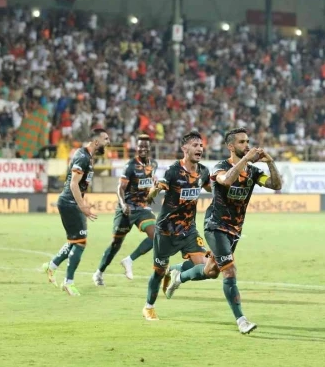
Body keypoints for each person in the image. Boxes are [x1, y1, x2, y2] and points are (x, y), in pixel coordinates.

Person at [164, 127, 282, 334]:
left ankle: (178, 275)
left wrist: (270, 162)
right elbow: (226, 180)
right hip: (215, 225)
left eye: (247, 142)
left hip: (234, 230)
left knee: (211, 271)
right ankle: (241, 320)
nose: (247, 145)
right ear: (231, 146)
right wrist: (246, 159)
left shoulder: (253, 172)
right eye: (242, 142)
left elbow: (276, 185)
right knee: (229, 270)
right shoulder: (220, 167)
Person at [141, 131, 211, 321]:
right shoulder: (173, 171)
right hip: (167, 231)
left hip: (189, 230)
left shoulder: (203, 171)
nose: (200, 148)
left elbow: (211, 187)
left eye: (201, 145)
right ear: (184, 148)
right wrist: (153, 190)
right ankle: (148, 307)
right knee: (158, 271)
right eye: (195, 145)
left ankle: (176, 270)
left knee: (208, 268)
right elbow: (153, 195)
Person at [42, 128, 110, 296]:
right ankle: (68, 282)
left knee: (75, 241)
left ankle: (51, 266)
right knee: (80, 242)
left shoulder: (88, 157)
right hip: (70, 203)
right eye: (106, 139)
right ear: (96, 141)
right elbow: (73, 184)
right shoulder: (82, 157)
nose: (108, 142)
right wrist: (82, 206)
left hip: (71, 203)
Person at [94, 134, 158, 285]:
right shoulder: (130, 166)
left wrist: (153, 190)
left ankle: (129, 260)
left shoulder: (152, 164)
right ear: (136, 148)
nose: (143, 149)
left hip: (142, 208)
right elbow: (120, 188)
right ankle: (99, 273)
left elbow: (148, 185)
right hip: (127, 210)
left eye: (145, 146)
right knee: (115, 244)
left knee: (156, 235)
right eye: (140, 146)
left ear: (149, 148)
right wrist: (123, 204)